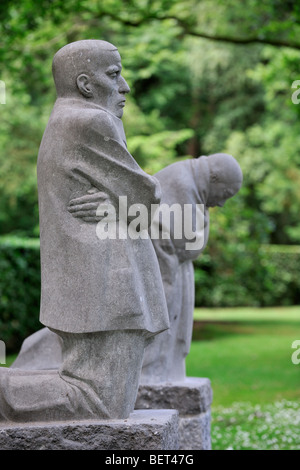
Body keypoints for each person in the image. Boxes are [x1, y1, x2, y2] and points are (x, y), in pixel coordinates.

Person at [0, 39, 169, 421]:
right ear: (85, 84)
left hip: (97, 286)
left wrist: (120, 207)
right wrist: (128, 204)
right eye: (114, 74)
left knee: (100, 399)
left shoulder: (65, 120)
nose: (125, 86)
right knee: (99, 402)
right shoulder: (89, 120)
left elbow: (135, 203)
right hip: (105, 287)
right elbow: (148, 194)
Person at [12, 153, 243, 385]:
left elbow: (185, 240)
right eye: (224, 194)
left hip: (165, 273)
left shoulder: (191, 182)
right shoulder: (182, 182)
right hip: (154, 275)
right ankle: (37, 357)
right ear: (213, 178)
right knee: (110, 332)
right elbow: (175, 238)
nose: (221, 203)